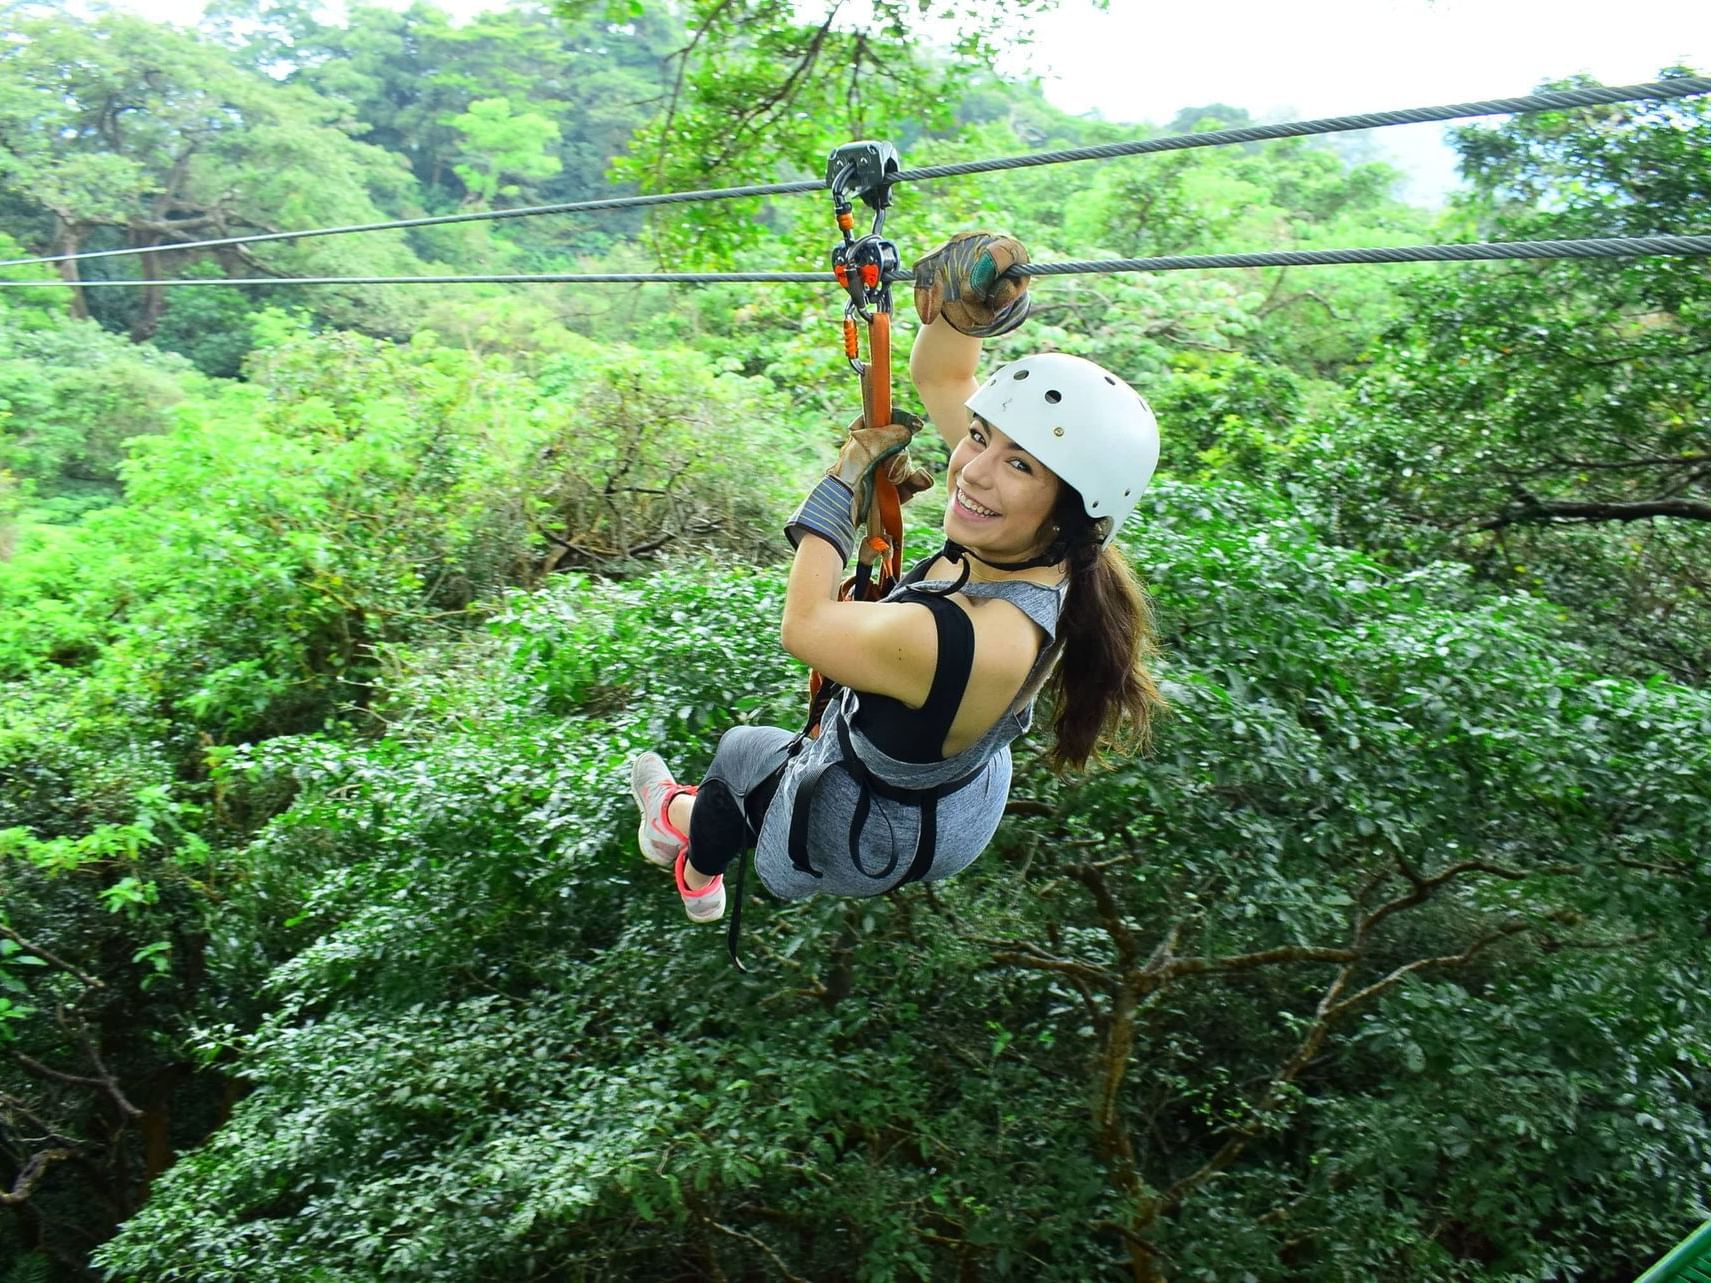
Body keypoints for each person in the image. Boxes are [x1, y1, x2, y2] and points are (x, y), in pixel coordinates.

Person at [628, 232, 1165, 923]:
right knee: (759, 764)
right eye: (979, 436)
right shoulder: (1053, 543)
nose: (972, 469)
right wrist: (961, 313)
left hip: (872, 831)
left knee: (741, 756)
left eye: (1019, 463)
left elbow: (807, 625)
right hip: (950, 792)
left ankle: (688, 859)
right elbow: (943, 378)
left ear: (1069, 506)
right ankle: (690, 833)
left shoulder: (985, 636)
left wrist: (842, 487)